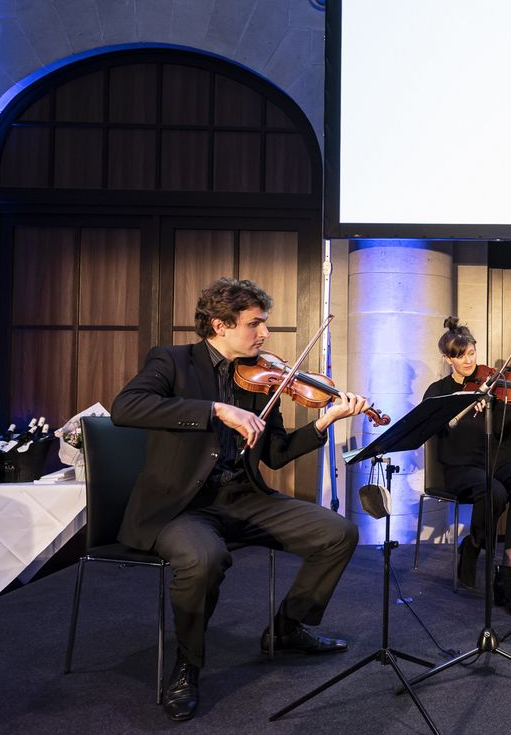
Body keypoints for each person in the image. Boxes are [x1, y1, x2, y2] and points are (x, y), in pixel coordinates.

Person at [112, 278, 368, 722]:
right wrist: (214, 410)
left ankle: (287, 630)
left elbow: (276, 452)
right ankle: (187, 665)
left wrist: (325, 421)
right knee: (204, 559)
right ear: (219, 325)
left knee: (338, 531)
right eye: (255, 324)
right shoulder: (172, 362)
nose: (264, 334)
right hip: (182, 505)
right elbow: (126, 407)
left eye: (263, 324)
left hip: (243, 497)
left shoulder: (260, 375)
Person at [421, 317, 511, 616]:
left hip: (498, 458)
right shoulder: (438, 391)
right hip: (460, 467)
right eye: (460, 356)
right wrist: (460, 403)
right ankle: (473, 545)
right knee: (494, 492)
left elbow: (510, 431)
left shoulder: (494, 383)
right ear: (448, 358)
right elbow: (429, 427)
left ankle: (507, 573)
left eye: (472, 353)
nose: (469, 361)